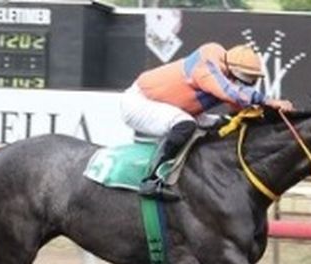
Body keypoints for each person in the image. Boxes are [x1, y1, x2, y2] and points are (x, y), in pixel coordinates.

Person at [120, 43, 294, 201]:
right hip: (140, 102)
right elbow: (230, 92)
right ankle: (150, 182)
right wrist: (268, 100)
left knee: (222, 123)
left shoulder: (227, 73)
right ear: (233, 71)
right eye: (245, 79)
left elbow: (238, 108)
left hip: (175, 107)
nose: (246, 85)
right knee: (185, 125)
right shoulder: (207, 64)